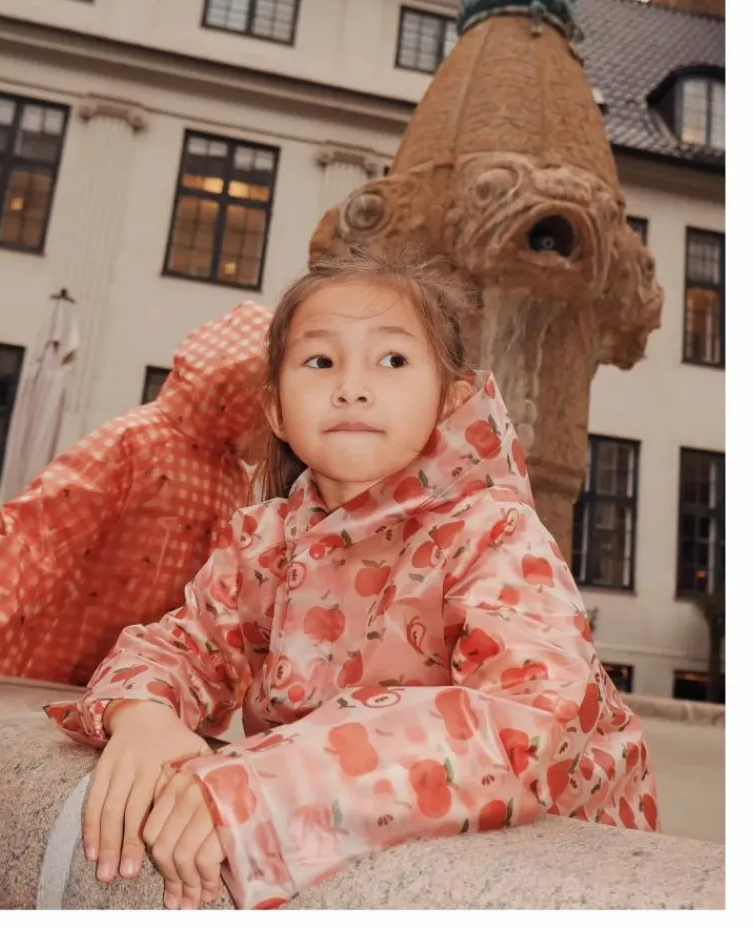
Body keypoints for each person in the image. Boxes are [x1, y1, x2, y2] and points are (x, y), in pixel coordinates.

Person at [44, 245, 659, 911]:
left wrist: (269, 784)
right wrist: (143, 714)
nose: (352, 388)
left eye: (392, 360)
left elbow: (530, 718)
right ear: (276, 410)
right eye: (320, 361)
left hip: (563, 874)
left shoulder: (494, 532)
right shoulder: (265, 543)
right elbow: (183, 645)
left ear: (449, 400)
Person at [0, 301, 272, 686]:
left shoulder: (232, 476)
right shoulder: (136, 443)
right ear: (241, 397)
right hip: (55, 669)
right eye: (273, 416)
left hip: (143, 685)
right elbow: (36, 540)